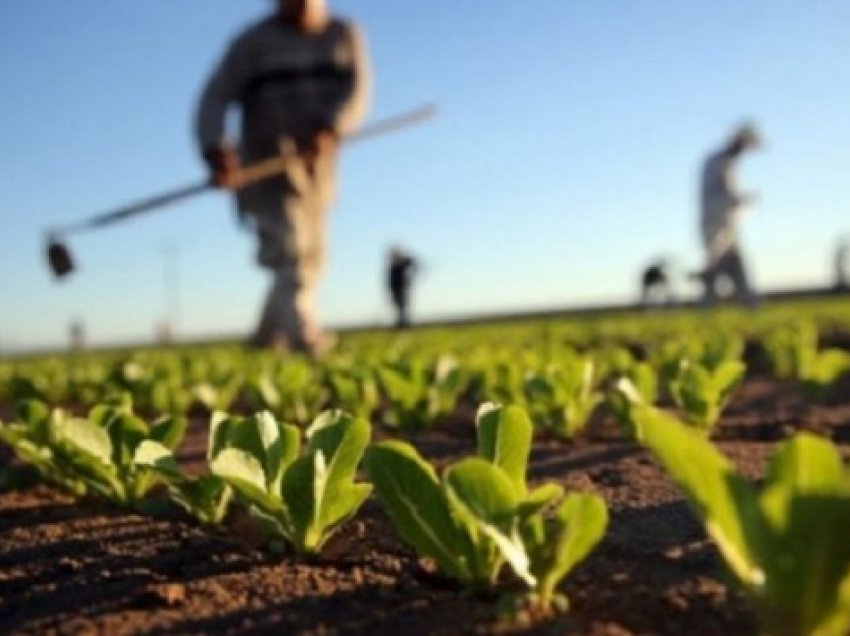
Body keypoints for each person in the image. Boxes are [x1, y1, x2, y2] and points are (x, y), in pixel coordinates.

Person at [195, 0, 371, 355]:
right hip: (266, 165)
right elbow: (213, 99)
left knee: (312, 258)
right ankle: (304, 338)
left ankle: (264, 339)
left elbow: (357, 91)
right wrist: (216, 149)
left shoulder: (343, 35)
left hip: (317, 171)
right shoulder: (252, 43)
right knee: (289, 251)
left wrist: (331, 128)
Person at [697, 124, 761, 307]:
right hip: (715, 225)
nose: (745, 150)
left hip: (727, 227)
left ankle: (750, 307)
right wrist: (741, 199)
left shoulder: (728, 164)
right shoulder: (716, 162)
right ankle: (706, 310)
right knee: (715, 269)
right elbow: (717, 195)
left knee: (737, 267)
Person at [387, 246, 418, 329]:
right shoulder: (393, 266)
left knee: (403, 307)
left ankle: (405, 324)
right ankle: (401, 323)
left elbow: (412, 262)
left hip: (402, 288)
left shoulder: (402, 263)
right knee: (398, 307)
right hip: (395, 289)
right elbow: (390, 280)